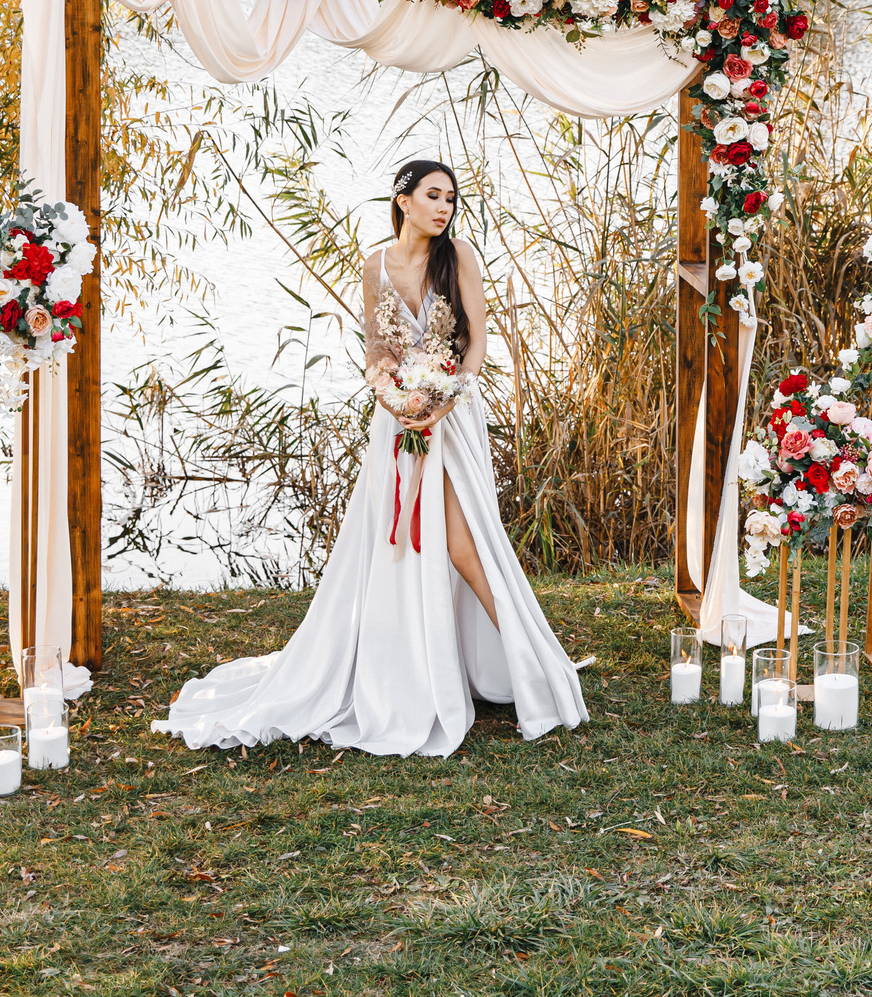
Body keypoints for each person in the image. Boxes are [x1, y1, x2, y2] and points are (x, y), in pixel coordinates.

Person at [154, 161, 588, 756]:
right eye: (433, 196)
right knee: (403, 547)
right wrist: (396, 398)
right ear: (402, 200)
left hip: (453, 415)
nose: (444, 208)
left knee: (465, 543)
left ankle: (529, 664)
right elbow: (377, 353)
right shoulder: (375, 265)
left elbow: (480, 341)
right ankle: (420, 671)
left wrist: (443, 398)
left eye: (451, 199)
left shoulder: (458, 256)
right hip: (398, 420)